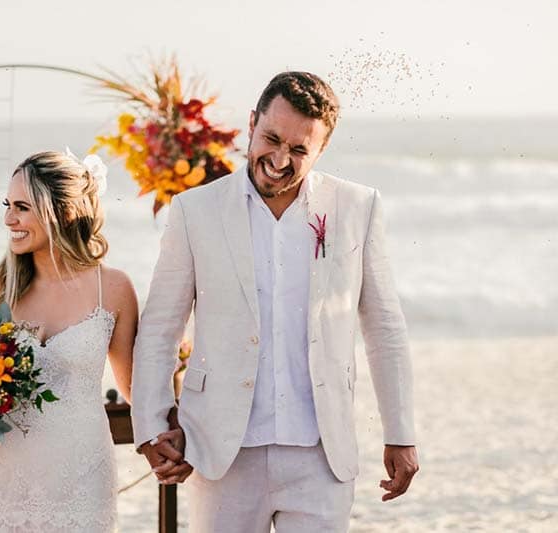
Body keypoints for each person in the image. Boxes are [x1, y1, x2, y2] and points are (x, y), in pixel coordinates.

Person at [132, 71, 419, 532]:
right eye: (271, 138)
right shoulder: (194, 211)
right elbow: (161, 327)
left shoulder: (357, 207)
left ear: (321, 151)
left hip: (322, 457)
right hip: (223, 453)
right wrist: (150, 424)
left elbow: (384, 326)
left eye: (300, 149)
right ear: (251, 123)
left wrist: (400, 432)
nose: (281, 159)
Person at [0, 150, 138, 532]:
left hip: (81, 480)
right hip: (3, 478)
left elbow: (135, 390)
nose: (9, 219)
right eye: (7, 205)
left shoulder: (112, 288)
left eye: (22, 207)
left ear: (61, 213)